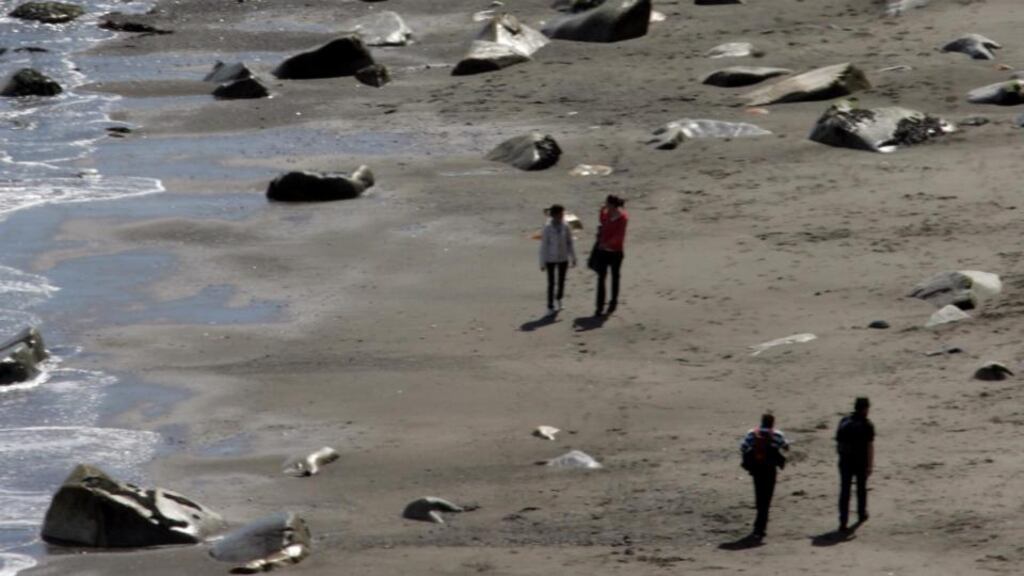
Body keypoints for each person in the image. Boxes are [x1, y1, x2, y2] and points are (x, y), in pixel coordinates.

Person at [740, 413, 789, 540]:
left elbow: (743, 447)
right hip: (770, 469)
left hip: (756, 469)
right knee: (767, 498)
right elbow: (785, 446)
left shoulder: (752, 433)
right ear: (772, 423)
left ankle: (759, 524)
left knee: (759, 494)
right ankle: (760, 528)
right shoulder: (777, 434)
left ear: (761, 422)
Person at [836, 397, 875, 532]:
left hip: (845, 461)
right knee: (861, 489)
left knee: (845, 491)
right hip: (860, 461)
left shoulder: (844, 421)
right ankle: (861, 514)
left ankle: (843, 521)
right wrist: (870, 465)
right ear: (865, 409)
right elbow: (870, 447)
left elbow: (838, 442)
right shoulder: (867, 425)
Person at [592, 195, 628, 316]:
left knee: (614, 278)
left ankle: (613, 303)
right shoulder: (607, 214)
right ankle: (599, 306)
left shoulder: (623, 217)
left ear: (612, 205)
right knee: (601, 278)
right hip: (603, 252)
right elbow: (602, 221)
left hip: (616, 252)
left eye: (606, 204)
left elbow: (619, 236)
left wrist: (606, 244)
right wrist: (601, 211)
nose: (605, 205)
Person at [539, 204, 576, 315]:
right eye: (560, 213)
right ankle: (550, 306)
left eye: (563, 213)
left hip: (563, 258)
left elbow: (570, 242)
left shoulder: (565, 226)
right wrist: (542, 262)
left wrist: (573, 257)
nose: (562, 215)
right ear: (555, 214)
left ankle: (559, 298)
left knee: (561, 281)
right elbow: (544, 246)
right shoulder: (547, 228)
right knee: (551, 283)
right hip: (550, 258)